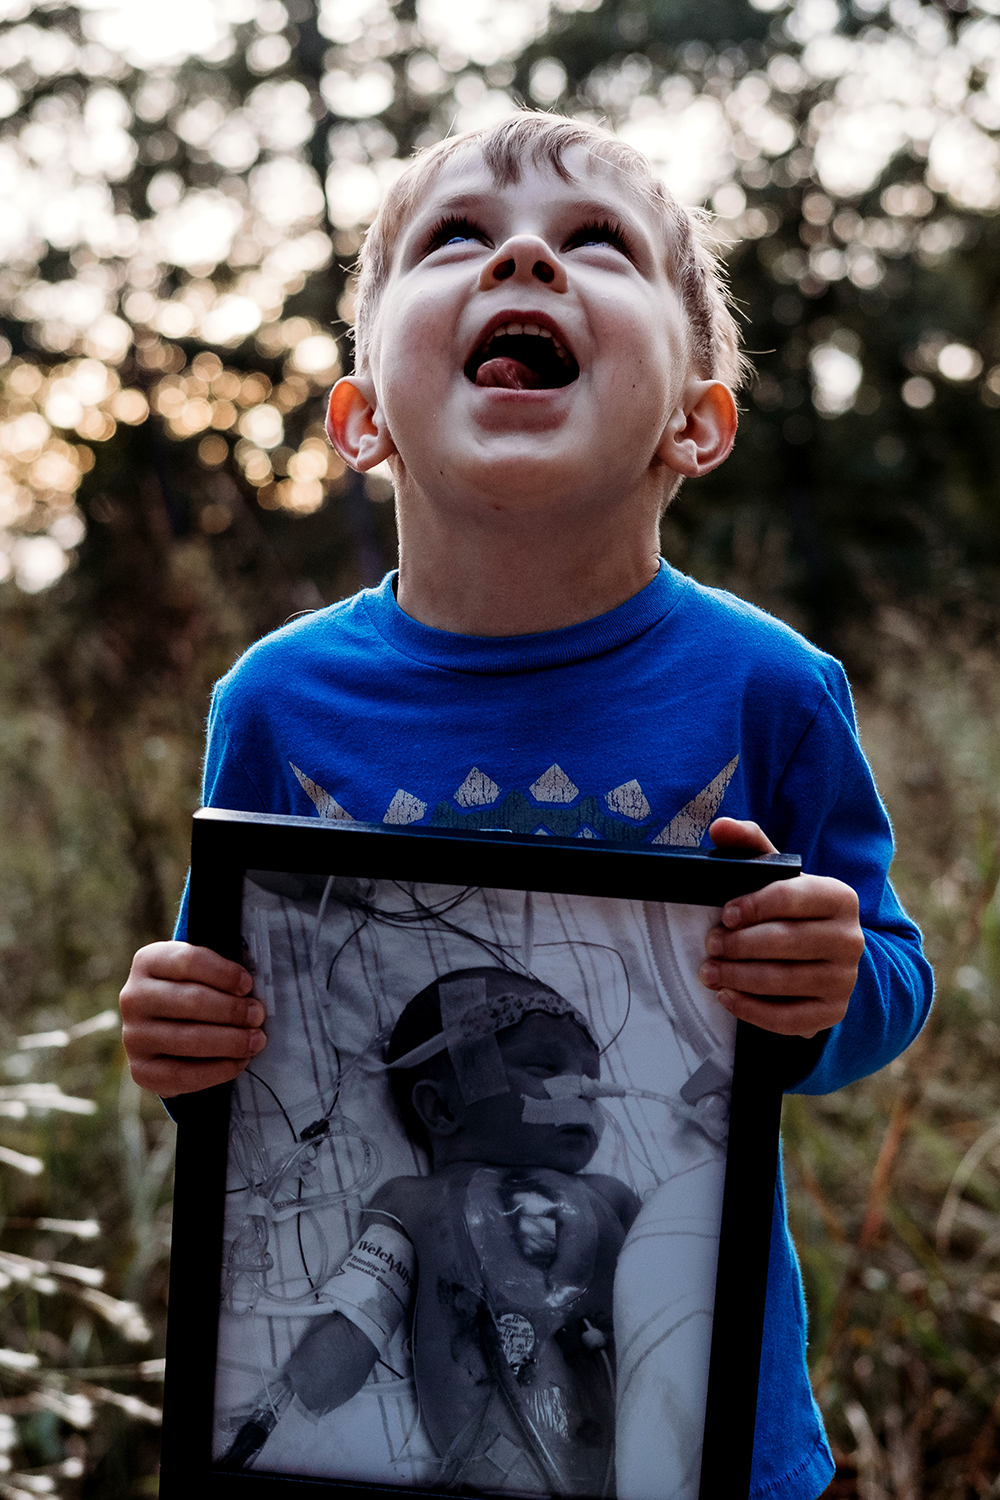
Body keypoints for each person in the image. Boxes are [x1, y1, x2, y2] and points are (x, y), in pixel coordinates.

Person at [119, 111, 933, 1500]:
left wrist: (824, 983)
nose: (525, 263)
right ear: (362, 415)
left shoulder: (770, 691)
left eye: (595, 243)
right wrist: (183, 1036)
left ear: (697, 418)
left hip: (704, 1445)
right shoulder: (278, 705)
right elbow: (243, 1056)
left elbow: (884, 987)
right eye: (456, 240)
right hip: (381, 1459)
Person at [221, 967, 639, 1494]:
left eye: (592, 1079)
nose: (585, 1089)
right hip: (491, 1476)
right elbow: (361, 1321)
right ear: (440, 1108)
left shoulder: (612, 1197)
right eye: (544, 1066)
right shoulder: (414, 1202)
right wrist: (284, 1407)